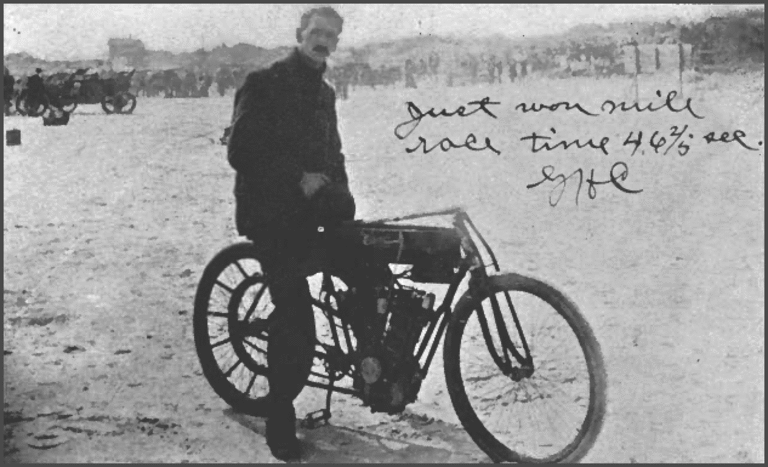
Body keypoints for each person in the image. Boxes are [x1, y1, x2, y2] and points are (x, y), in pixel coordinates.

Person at [227, 6, 357, 461]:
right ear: (300, 34)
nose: (323, 41)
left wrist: (344, 203)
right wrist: (295, 179)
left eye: (331, 36)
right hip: (271, 214)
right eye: (316, 32)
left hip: (314, 211)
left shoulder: (324, 92)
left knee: (371, 273)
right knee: (296, 315)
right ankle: (279, 414)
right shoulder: (264, 82)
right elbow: (241, 150)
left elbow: (334, 154)